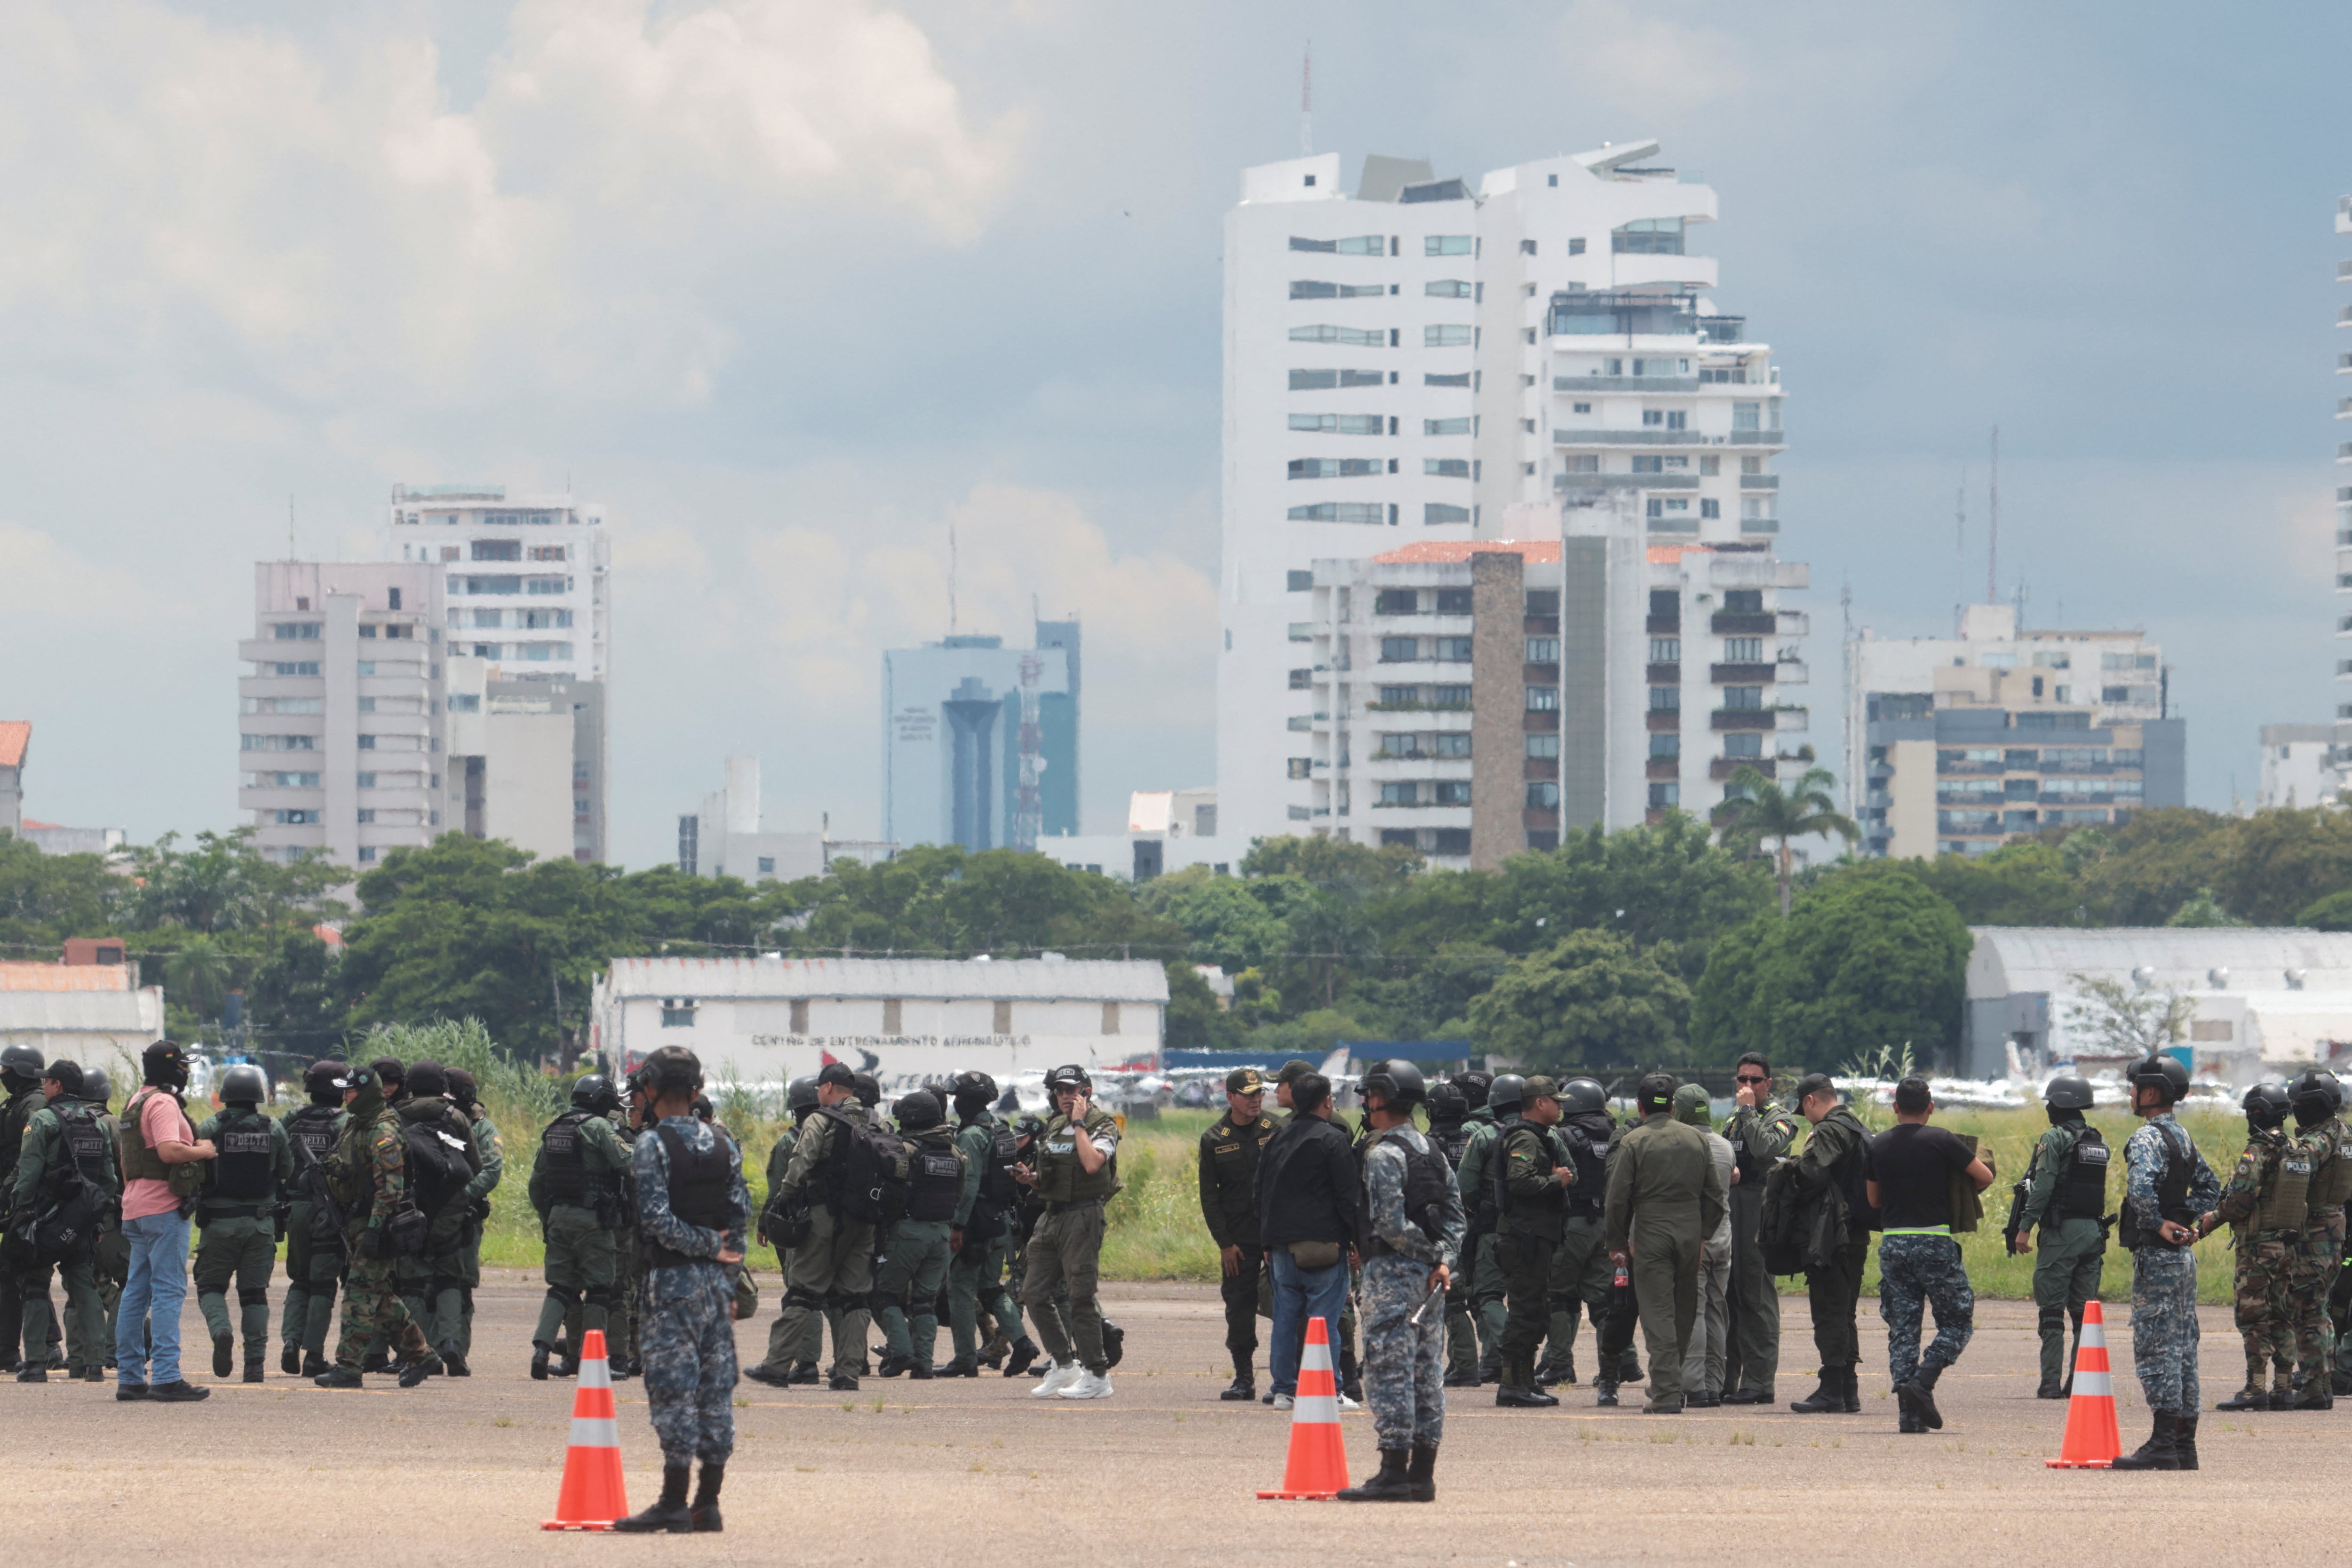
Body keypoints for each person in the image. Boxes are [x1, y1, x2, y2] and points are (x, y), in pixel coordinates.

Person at [612, 1047, 750, 1535]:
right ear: (696, 1092)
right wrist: (728, 1277)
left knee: (673, 1391)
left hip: (671, 1284)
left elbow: (655, 1220)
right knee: (715, 1392)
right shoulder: (722, 1143)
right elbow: (740, 1220)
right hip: (715, 1289)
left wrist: (705, 1245)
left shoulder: (650, 1145)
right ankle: (706, 1502)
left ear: (649, 1090)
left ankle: (674, 1502)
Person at [1337, 1060, 1462, 1505]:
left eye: (1370, 1095)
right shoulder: (1432, 1151)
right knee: (1427, 1374)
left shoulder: (1383, 1154)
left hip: (1393, 1276)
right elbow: (1456, 1218)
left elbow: (1389, 1224)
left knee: (1389, 1371)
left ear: (1384, 1098)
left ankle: (1393, 1473)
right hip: (1431, 1282)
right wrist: (1444, 1260)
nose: (1365, 1103)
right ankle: (1421, 1476)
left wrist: (1431, 1254)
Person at [1863, 1076, 1994, 1433]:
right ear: (1931, 1106)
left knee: (1903, 1327)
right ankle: (1924, 1380)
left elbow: (1874, 1200)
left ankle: (1909, 1415)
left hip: (1894, 1243)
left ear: (1896, 1107)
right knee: (1957, 1322)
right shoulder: (1943, 1139)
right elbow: (1985, 1176)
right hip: (1934, 1241)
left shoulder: (1878, 1144)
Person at [2115, 1052, 2220, 1470]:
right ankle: (2183, 1445)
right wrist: (2189, 1224)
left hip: (2158, 1258)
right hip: (2183, 1260)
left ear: (2151, 1091)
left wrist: (2160, 1224)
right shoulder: (2183, 1137)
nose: (2131, 1093)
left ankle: (2162, 1444)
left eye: (2135, 1086)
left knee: (2157, 1343)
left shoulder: (2147, 1138)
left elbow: (2141, 1189)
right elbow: (2212, 1187)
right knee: (2183, 1348)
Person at [1600, 1074, 1725, 1415]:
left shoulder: (1633, 1141)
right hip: (1690, 1231)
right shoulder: (1696, 1140)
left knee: (1657, 1314)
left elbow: (1617, 1200)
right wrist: (1703, 1235)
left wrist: (1616, 1241)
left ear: (1639, 1107)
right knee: (1685, 1311)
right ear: (1673, 1105)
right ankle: (1668, 1382)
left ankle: (1667, 1391)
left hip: (1651, 1231)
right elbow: (1715, 1196)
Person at [314, 1062, 441, 1390]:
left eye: (350, 1090)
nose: (345, 1095)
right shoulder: (357, 1124)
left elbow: (390, 1188)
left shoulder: (382, 1131)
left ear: (365, 1092)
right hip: (358, 1222)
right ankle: (422, 1356)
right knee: (381, 1296)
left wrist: (374, 1231)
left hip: (379, 1225)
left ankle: (349, 1367)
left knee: (358, 1294)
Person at [115, 1041, 216, 1402]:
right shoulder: (162, 1102)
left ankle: (129, 1377)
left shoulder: (135, 1101)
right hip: (163, 1207)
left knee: (136, 1292)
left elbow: (129, 1161)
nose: (188, 1073)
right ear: (172, 1068)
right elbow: (169, 1151)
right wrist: (203, 1150)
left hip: (136, 1206)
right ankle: (167, 1377)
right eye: (184, 1067)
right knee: (168, 1290)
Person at [770, 1061, 880, 1392]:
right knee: (856, 1297)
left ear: (829, 1088)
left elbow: (800, 1163)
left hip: (825, 1216)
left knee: (803, 1290)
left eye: (820, 1087)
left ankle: (776, 1366)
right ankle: (848, 1372)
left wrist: (784, 1198)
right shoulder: (877, 1121)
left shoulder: (822, 1118)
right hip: (865, 1220)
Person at [8, 1059, 118, 1381]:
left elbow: (27, 1175)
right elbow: (108, 1179)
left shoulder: (42, 1120)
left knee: (36, 1285)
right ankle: (95, 1363)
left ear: (57, 1086)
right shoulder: (96, 1123)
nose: (43, 1086)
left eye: (48, 1081)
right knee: (84, 1285)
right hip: (82, 1219)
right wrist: (93, 1212)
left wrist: (20, 1213)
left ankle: (36, 1363)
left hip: (45, 1218)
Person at [1254, 1069, 1357, 1413]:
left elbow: (1260, 1193)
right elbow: (1348, 1196)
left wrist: (1267, 1242)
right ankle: (1330, 1389)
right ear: (1327, 1100)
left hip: (1281, 1248)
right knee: (1324, 1322)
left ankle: (1284, 1390)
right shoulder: (1332, 1139)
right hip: (1324, 1246)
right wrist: (1356, 1239)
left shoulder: (1275, 1139)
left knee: (1285, 1319)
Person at [1017, 1063, 1123, 1400]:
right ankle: (1064, 1364)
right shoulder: (1054, 1126)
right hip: (1052, 1215)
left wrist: (1079, 1123)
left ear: (1086, 1092)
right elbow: (1050, 1174)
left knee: (1080, 1296)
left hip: (1083, 1214)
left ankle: (1097, 1374)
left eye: (1072, 1090)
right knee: (1033, 1291)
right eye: (1060, 1091)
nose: (1065, 1096)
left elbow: (1093, 1163)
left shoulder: (1101, 1124)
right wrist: (1031, 1179)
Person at [2201, 1080, 2306, 1413]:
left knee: (2254, 1317)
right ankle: (2285, 1386)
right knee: (2282, 1316)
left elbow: (2240, 1201)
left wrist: (2208, 1221)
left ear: (2257, 1113)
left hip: (2258, 1249)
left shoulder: (2257, 1151)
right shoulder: (2297, 1149)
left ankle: (2256, 1387)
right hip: (2287, 1246)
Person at [191, 1063, 294, 1383]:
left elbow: (194, 1172)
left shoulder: (210, 1126)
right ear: (259, 1096)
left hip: (219, 1222)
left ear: (225, 1096)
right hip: (261, 1224)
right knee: (254, 1295)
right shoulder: (273, 1128)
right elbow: (285, 1170)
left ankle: (222, 1330)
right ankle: (255, 1366)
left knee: (210, 1287)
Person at [2011, 1073, 2108, 1399]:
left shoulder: (2054, 1138)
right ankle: (2078, 1381)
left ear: (2062, 1104)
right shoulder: (2099, 1141)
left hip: (2061, 1232)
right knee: (2083, 1314)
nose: (2049, 1107)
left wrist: (2025, 1227)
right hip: (2093, 1233)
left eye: (2052, 1102)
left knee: (2052, 1313)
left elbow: (2043, 1186)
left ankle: (2050, 1382)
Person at [528, 1074, 631, 1380]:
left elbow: (537, 1183)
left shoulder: (555, 1128)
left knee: (560, 1288)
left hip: (558, 1219)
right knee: (599, 1289)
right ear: (601, 1101)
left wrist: (551, 1215)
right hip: (592, 1221)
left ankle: (542, 1350)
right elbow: (627, 1162)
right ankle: (592, 1359)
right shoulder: (598, 1127)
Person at [939, 1071, 1034, 1380]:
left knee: (960, 1289)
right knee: (991, 1288)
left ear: (967, 1101)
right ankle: (1022, 1342)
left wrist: (958, 1226)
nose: (955, 1102)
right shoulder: (1002, 1129)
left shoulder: (971, 1135)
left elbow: (968, 1187)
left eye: (958, 1097)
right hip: (1001, 1221)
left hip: (977, 1223)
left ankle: (965, 1358)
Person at [389, 1060, 481, 1372]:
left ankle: (418, 1353)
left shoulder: (397, 1116)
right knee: (449, 1279)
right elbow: (475, 1164)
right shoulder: (455, 1116)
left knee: (413, 1283)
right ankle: (453, 1344)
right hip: (451, 1210)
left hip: (410, 1208)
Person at [1720, 1052, 1801, 1405]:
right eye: (1742, 1080)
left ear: (1769, 1083)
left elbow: (1766, 1147)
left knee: (1756, 1295)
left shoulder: (1778, 1118)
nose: (1747, 1087)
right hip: (1731, 1208)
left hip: (1759, 1210)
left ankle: (1760, 1382)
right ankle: (1725, 1379)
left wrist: (1751, 1110)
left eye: (1755, 1080)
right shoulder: (1734, 1119)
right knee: (1728, 1297)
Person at [1788, 1072, 1870, 1415]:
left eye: (1804, 1109)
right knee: (1845, 1310)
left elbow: (1812, 1173)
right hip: (1855, 1232)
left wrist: (1789, 1169)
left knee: (1830, 1310)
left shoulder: (1829, 1129)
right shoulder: (1858, 1127)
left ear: (1811, 1101)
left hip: (1832, 1234)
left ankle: (1832, 1388)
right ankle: (1847, 1389)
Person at [1493, 1076, 1574, 1408]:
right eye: (1556, 1101)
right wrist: (1556, 1180)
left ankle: (1525, 1380)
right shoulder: (1526, 1138)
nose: (1560, 1107)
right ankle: (1512, 1383)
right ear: (1539, 1102)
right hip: (1524, 1239)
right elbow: (1519, 1180)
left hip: (1536, 1238)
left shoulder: (1541, 1137)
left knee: (1537, 1311)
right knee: (1525, 1312)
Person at [873, 1090, 965, 1378]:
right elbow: (959, 1195)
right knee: (925, 1302)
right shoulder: (955, 1153)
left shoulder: (906, 1150)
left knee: (884, 1295)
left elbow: (889, 1192)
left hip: (908, 1231)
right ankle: (924, 1363)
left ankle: (901, 1353)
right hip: (941, 1234)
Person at [1197, 1066, 1276, 1400]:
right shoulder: (1215, 1138)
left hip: (1276, 1233)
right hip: (1239, 1239)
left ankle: (1291, 1376)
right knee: (1239, 1305)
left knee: (1288, 1303)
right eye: (1248, 1095)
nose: (1256, 1100)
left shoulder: (1278, 1129)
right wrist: (1225, 1243)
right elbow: (1209, 1196)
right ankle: (1244, 1377)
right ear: (1231, 1098)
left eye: (1259, 1093)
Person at [1537, 1076, 1616, 1393]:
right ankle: (1611, 1367)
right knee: (1603, 1300)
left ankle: (1559, 1363)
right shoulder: (1616, 1134)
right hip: (1607, 1224)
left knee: (1558, 1294)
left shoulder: (1563, 1136)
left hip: (1572, 1223)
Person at [747, 1075, 822, 1385]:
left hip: (797, 1226)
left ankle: (807, 1363)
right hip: (830, 1223)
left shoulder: (790, 1141)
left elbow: (778, 1188)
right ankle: (850, 1363)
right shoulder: (833, 1134)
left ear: (795, 1108)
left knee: (800, 1293)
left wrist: (765, 1221)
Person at [278, 1060, 347, 1377]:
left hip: (296, 1210)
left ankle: (291, 1341)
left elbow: (276, 1159)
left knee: (300, 1280)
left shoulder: (292, 1118)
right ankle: (313, 1355)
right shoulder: (347, 1122)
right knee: (323, 1285)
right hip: (328, 1212)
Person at [2288, 1070, 2350, 1409]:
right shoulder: (2345, 1134)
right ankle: (2322, 1383)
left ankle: (2313, 1388)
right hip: (2336, 1229)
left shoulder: (2317, 1141)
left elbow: (2291, 1172)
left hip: (2313, 1233)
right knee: (2321, 1309)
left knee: (2307, 1311)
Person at [1673, 1082, 1737, 1408]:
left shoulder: (1684, 1145)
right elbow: (1733, 1177)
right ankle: (1714, 1384)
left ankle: (1694, 1384)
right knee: (1716, 1310)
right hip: (1723, 1236)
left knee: (1693, 1309)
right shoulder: (1725, 1146)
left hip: (1695, 1237)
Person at [1446, 1070, 1506, 1387]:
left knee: (1476, 1293)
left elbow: (1462, 1184)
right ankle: (1493, 1358)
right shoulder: (1504, 1126)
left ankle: (1490, 1356)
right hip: (1505, 1221)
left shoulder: (1468, 1129)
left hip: (1472, 1221)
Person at [1422, 1078, 1480, 1387]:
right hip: (1476, 1226)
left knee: (1453, 1300)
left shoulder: (1428, 1144)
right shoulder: (1475, 1137)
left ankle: (1466, 1364)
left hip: (1445, 1230)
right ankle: (1469, 1361)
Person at [446, 1067, 503, 1375]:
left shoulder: (483, 1128)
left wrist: (460, 1197)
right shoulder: (436, 1119)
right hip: (440, 1211)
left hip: (465, 1215)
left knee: (463, 1282)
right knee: (433, 1284)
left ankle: (457, 1351)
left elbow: (491, 1169)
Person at [0, 1042, 48, 1373]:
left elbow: (27, 1159)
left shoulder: (32, 1105)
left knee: (12, 1274)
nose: (2, 1074)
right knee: (29, 1277)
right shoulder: (17, 1103)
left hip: (25, 1200)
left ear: (20, 1071)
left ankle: (7, 1351)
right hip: (17, 1196)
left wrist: (8, 1194)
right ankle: (50, 1344)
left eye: (6, 1069)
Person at [79, 1067, 129, 1367]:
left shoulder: (61, 1120)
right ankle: (116, 1350)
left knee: (83, 1285)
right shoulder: (111, 1123)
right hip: (110, 1216)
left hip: (73, 1219)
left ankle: (81, 1358)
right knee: (130, 1281)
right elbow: (127, 1166)